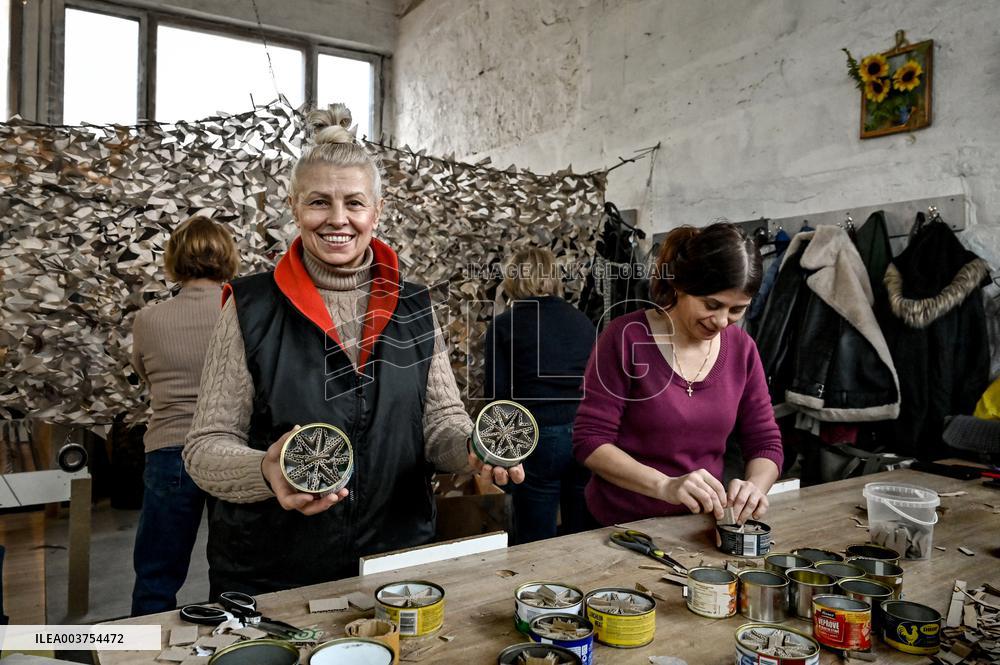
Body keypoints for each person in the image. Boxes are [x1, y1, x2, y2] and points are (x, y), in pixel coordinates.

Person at [184, 108, 523, 598]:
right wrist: (265, 470)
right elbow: (205, 447)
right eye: (320, 202)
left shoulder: (414, 305)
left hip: (393, 560)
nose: (338, 219)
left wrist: (472, 450)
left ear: (377, 211)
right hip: (273, 569)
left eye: (354, 203)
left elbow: (442, 422)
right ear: (295, 207)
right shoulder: (250, 306)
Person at [572, 222, 783, 527]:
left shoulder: (742, 349)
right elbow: (590, 441)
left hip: (699, 526)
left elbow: (765, 442)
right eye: (712, 305)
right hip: (619, 526)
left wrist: (754, 488)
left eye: (737, 310)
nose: (722, 321)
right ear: (680, 286)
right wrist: (665, 486)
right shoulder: (626, 338)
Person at [130, 215, 239, 616]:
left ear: (174, 258)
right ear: (227, 255)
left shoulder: (148, 319)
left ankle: (139, 656)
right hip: (231, 452)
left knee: (156, 574)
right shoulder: (244, 313)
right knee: (233, 572)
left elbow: (144, 372)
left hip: (168, 450)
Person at [485, 248, 596, 544]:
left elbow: (496, 398)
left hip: (537, 437)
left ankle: (539, 589)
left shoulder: (505, 324)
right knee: (582, 533)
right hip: (585, 434)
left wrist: (501, 457)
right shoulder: (582, 322)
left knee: (536, 540)